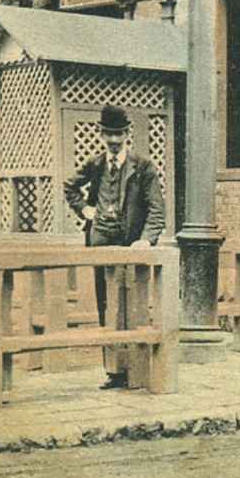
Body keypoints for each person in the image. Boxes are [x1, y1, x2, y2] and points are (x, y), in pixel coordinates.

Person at [63, 105, 165, 387]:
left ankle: (135, 368)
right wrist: (85, 210)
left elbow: (157, 209)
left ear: (127, 134)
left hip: (129, 246)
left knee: (132, 305)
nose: (114, 140)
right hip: (100, 244)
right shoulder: (96, 164)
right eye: (109, 134)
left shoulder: (142, 167)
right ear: (101, 134)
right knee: (105, 306)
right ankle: (114, 370)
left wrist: (145, 239)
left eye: (118, 134)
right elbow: (70, 186)